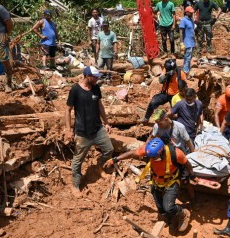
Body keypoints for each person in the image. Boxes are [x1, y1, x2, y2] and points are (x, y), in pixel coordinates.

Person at [103, 138, 197, 232]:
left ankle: (183, 213)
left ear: (161, 153)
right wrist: (115, 159)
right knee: (160, 208)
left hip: (171, 182)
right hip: (156, 182)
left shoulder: (176, 153)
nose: (152, 159)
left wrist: (192, 175)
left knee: (169, 207)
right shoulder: (150, 151)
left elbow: (187, 164)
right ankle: (171, 218)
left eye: (155, 157)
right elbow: (132, 153)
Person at [65, 66, 114, 197]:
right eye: (95, 77)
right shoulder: (75, 90)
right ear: (87, 76)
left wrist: (106, 123)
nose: (97, 79)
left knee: (109, 149)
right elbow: (68, 110)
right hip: (82, 132)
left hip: (97, 129)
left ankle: (100, 167)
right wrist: (68, 130)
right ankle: (75, 184)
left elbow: (100, 106)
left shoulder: (96, 88)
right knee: (78, 159)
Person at [140, 59, 186, 123]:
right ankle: (146, 118)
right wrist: (167, 75)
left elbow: (184, 86)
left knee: (176, 111)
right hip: (165, 94)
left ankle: (179, 123)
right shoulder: (165, 70)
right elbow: (160, 80)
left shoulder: (181, 73)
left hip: (175, 95)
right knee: (153, 102)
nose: (167, 70)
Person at [179, 6, 195, 75]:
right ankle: (185, 72)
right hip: (187, 42)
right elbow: (181, 32)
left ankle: (186, 69)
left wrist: (195, 40)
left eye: (192, 12)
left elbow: (192, 31)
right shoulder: (183, 20)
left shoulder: (191, 20)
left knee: (189, 57)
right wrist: (181, 42)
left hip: (192, 42)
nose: (192, 14)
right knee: (187, 57)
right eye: (190, 13)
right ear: (187, 12)